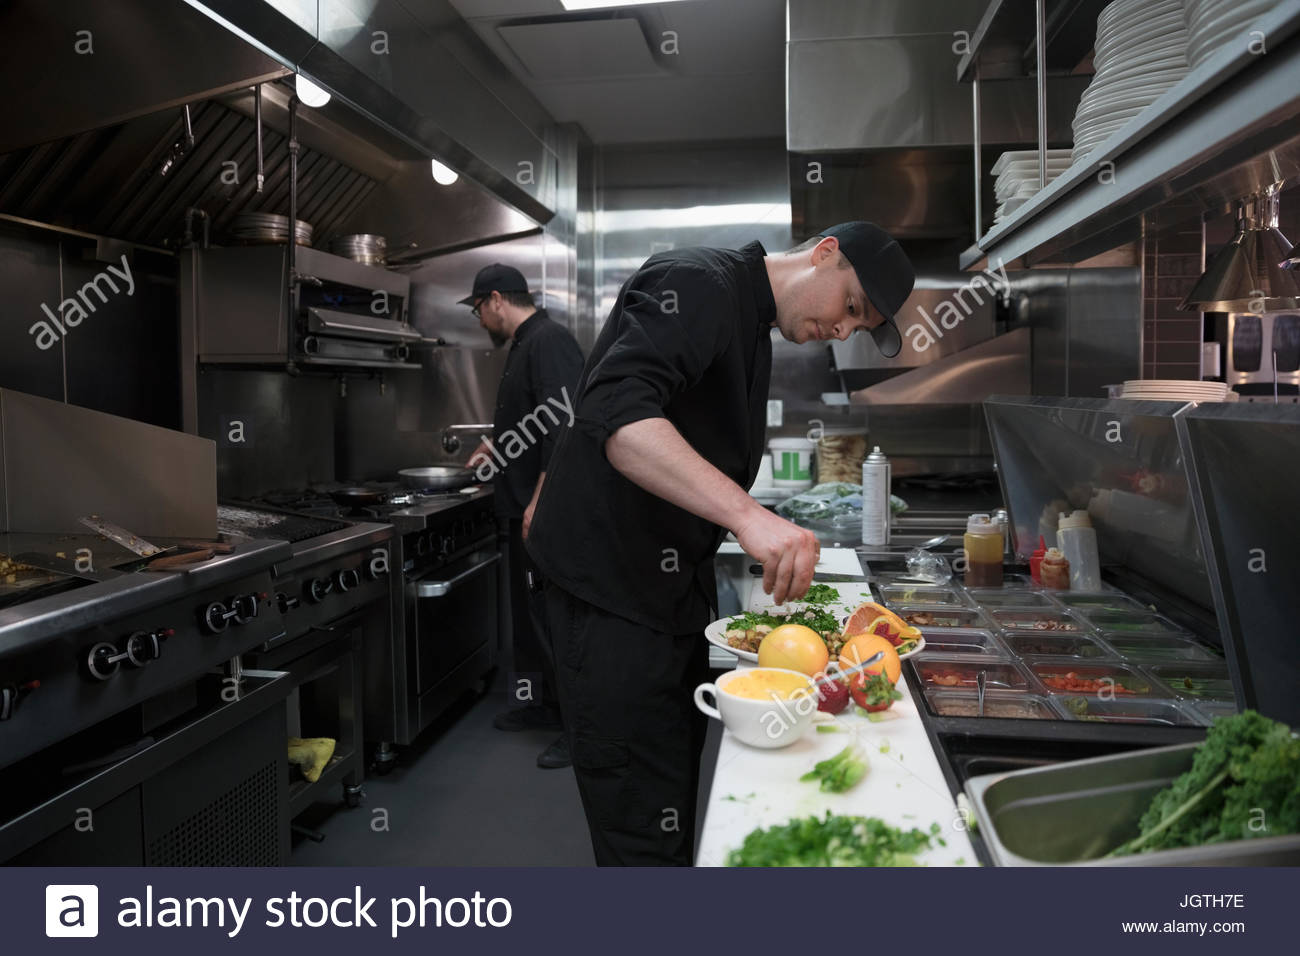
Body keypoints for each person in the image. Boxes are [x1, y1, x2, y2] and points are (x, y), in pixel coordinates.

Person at [526, 222, 914, 865]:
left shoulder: (750, 320)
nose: (844, 332)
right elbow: (619, 419)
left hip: (663, 593)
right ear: (824, 255)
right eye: (849, 307)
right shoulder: (697, 282)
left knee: (668, 799)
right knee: (639, 830)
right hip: (611, 599)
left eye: (859, 327)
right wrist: (748, 517)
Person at [458, 263, 584, 770]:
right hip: (523, 509)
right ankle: (551, 707)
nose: (480, 322)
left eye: (478, 312)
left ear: (493, 300)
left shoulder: (547, 341)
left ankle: (581, 733)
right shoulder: (526, 344)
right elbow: (536, 419)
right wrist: (498, 444)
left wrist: (538, 502)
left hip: (546, 517)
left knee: (557, 624)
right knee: (535, 622)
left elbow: (566, 429)